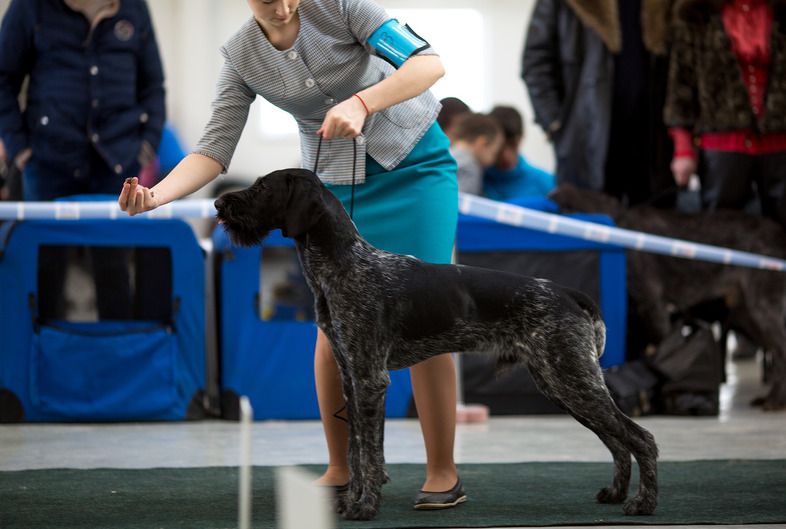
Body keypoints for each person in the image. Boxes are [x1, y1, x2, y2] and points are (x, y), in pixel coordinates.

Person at [118, 0, 464, 510]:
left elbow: (428, 64)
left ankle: (443, 471)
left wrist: (363, 103)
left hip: (415, 171)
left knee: (428, 319)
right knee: (334, 329)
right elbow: (215, 148)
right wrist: (156, 196)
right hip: (336, 189)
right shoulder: (241, 54)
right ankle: (342, 467)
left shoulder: (345, 8)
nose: (280, 7)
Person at [0, 0, 166, 320]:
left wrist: (147, 146)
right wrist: (20, 149)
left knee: (114, 269)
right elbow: (3, 80)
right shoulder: (28, 8)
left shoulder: (134, 8)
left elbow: (154, 85)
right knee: (43, 270)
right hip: (47, 162)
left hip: (117, 162)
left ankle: (116, 356)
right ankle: (42, 360)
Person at [521, 0, 675, 207]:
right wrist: (556, 125)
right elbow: (535, 62)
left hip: (653, 142)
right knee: (586, 229)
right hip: (586, 141)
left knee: (654, 229)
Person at [664, 0, 786, 227]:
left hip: (780, 144)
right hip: (722, 144)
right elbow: (681, 84)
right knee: (719, 232)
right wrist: (683, 148)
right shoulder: (695, 12)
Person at [483, 105, 555, 201]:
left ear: (522, 136)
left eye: (512, 144)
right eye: (500, 147)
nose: (506, 156)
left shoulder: (547, 183)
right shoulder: (475, 179)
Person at [450, 113, 504, 196]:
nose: (494, 161)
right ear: (483, 144)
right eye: (494, 153)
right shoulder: (469, 168)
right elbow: (460, 205)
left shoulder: (446, 155)